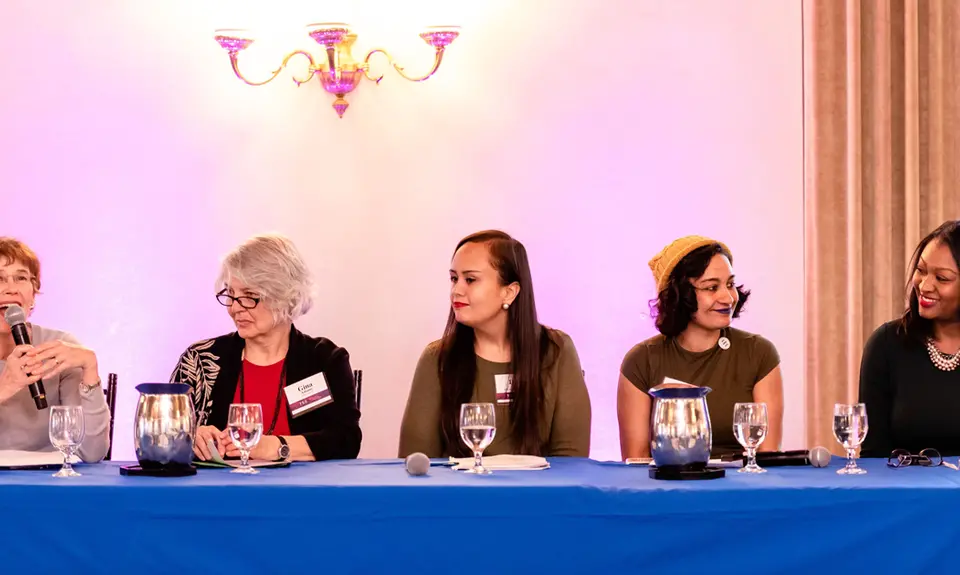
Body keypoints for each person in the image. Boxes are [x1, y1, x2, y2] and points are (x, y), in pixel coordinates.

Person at [398, 230, 591, 458]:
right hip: (458, 493)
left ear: (509, 292)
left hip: (538, 493)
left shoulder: (557, 350)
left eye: (470, 279)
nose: (456, 291)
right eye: (454, 278)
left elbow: (571, 462)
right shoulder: (437, 358)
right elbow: (418, 462)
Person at [170, 233, 361, 462]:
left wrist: (277, 446)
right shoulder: (200, 361)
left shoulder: (324, 360)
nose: (234, 308)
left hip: (302, 495)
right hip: (217, 495)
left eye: (249, 296)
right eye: (230, 295)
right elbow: (161, 436)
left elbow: (346, 440)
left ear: (285, 297)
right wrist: (190, 436)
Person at [617, 235, 784, 459]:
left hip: (741, 489)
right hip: (668, 489)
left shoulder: (759, 353)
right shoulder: (641, 360)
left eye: (730, 284)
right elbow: (637, 461)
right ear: (680, 295)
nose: (728, 297)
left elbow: (766, 457)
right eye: (712, 287)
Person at [0, 238, 110, 462]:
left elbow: (92, 453)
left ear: (33, 295)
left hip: (48, 484)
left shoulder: (58, 347)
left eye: (21, 278)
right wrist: (7, 385)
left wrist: (90, 367)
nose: (10, 288)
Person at [859, 221, 960, 457]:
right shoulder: (886, 344)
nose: (924, 286)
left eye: (942, 278)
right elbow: (874, 453)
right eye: (921, 270)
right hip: (905, 491)